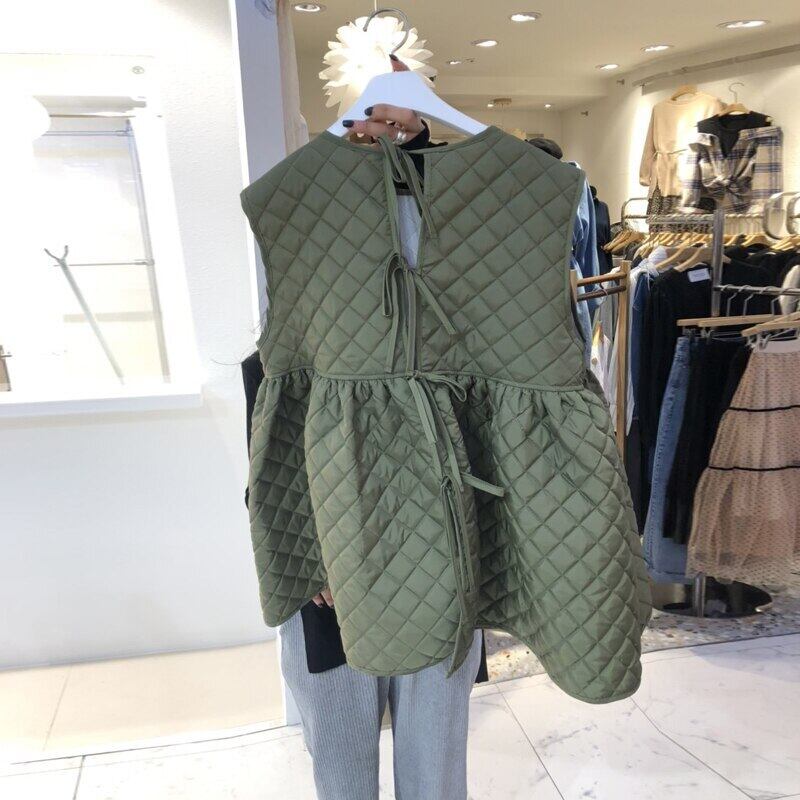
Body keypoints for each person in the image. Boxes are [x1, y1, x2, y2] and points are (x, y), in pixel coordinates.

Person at [242, 57, 486, 800]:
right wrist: (308, 544)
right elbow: (275, 391)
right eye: (372, 115)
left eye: (403, 118)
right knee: (342, 750)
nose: (385, 129)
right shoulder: (298, 213)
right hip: (331, 520)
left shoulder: (472, 221)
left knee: (434, 750)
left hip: (445, 528)